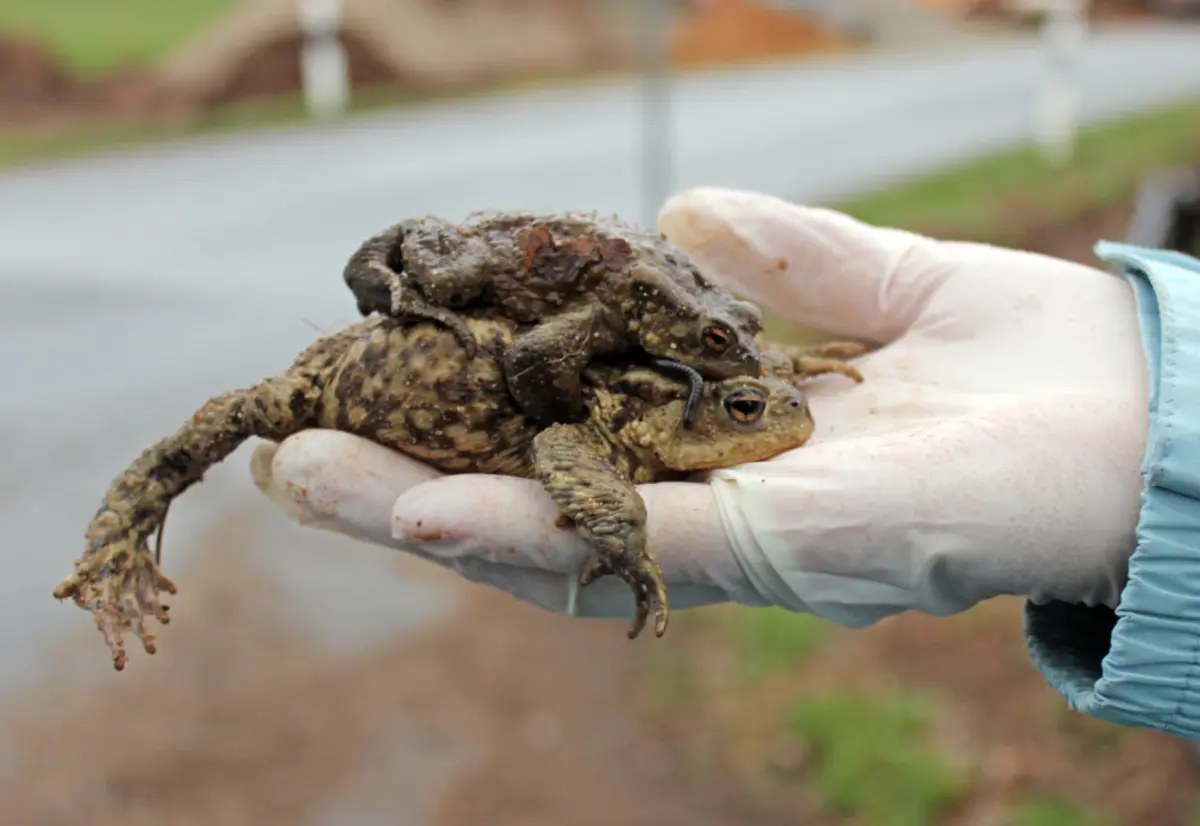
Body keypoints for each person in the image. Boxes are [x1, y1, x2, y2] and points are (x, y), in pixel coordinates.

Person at [251, 187, 1200, 740]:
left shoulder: (676, 333)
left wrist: (1161, 416)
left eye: (742, 351)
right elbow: (544, 376)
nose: (738, 360)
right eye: (730, 373)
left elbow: (715, 354)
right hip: (481, 322)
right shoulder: (602, 340)